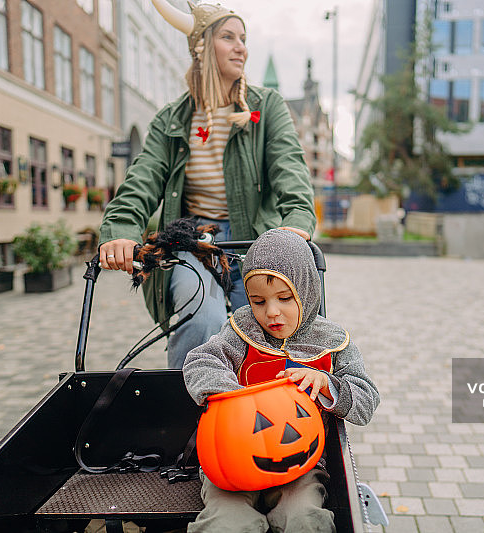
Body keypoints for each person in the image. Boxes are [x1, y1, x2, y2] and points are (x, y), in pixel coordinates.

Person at [98, 1, 316, 369]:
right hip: (195, 239)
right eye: (228, 37)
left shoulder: (267, 107)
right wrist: (120, 229)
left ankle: (268, 408)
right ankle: (189, 412)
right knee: (199, 315)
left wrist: (296, 220)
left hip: (256, 239)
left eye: (243, 38)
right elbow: (143, 176)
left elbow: (289, 168)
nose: (241, 47)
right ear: (201, 47)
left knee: (268, 327)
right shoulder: (173, 118)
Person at [182, 229, 380, 532]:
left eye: (285, 298)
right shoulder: (241, 331)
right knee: (227, 522)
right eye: (258, 302)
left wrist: (326, 383)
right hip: (231, 457)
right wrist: (232, 397)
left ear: (306, 291)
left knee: (303, 518)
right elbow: (200, 361)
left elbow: (366, 401)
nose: (271, 313)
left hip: (299, 464)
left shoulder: (332, 342)